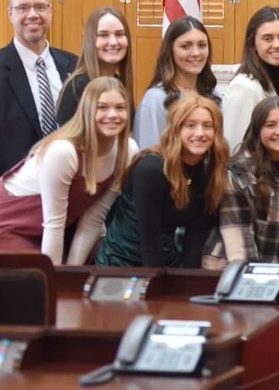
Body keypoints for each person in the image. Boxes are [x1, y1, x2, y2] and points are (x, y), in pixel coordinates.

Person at [0, 76, 138, 265]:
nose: (113, 115)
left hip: (46, 231)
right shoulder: (63, 152)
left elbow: (93, 221)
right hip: (2, 225)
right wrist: (57, 279)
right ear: (87, 111)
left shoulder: (128, 151)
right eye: (102, 107)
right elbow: (54, 225)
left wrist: (72, 273)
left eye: (120, 108)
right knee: (37, 280)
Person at [0, 0, 77, 204]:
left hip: (70, 197)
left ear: (50, 11)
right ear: (10, 13)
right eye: (23, 8)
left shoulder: (74, 66)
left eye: (40, 7)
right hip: (15, 202)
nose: (33, 14)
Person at [96, 96, 227, 268]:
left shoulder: (204, 172)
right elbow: (150, 242)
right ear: (175, 130)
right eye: (190, 125)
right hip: (120, 265)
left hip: (165, 260)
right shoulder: (151, 168)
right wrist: (159, 283)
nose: (200, 133)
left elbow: (194, 240)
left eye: (207, 126)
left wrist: (188, 280)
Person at [215, 96, 279, 268]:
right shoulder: (237, 173)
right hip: (230, 269)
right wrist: (254, 279)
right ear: (257, 130)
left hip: (275, 270)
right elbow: (239, 244)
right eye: (270, 125)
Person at [134, 17, 218, 149]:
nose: (196, 53)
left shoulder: (215, 97)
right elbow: (148, 153)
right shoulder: (156, 99)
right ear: (170, 51)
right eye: (186, 46)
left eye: (202, 45)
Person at [222, 7, 279, 151]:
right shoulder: (244, 88)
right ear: (253, 44)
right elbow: (234, 150)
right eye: (268, 38)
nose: (277, 45)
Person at [56, 7, 133, 125]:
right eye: (103, 35)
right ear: (90, 41)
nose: (113, 42)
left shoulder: (119, 83)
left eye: (119, 34)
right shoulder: (76, 88)